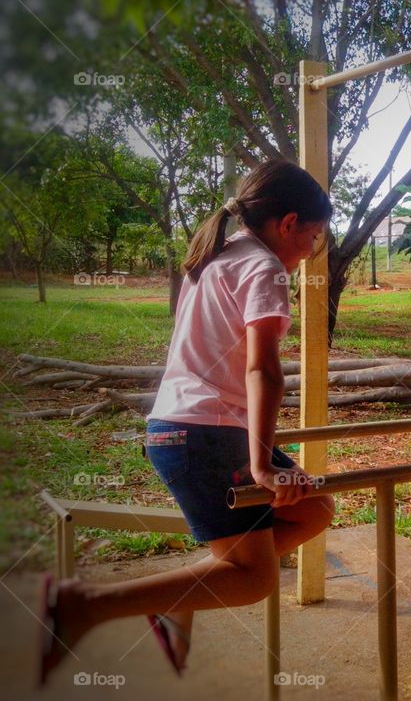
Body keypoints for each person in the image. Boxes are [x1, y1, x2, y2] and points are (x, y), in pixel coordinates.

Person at [39, 159, 336, 683]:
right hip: (203, 433)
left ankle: (180, 596)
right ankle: (85, 604)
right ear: (288, 224)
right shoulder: (262, 267)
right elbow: (263, 369)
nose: (311, 250)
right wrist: (263, 467)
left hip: (191, 427)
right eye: (313, 236)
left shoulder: (221, 256)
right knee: (252, 579)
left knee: (312, 510)